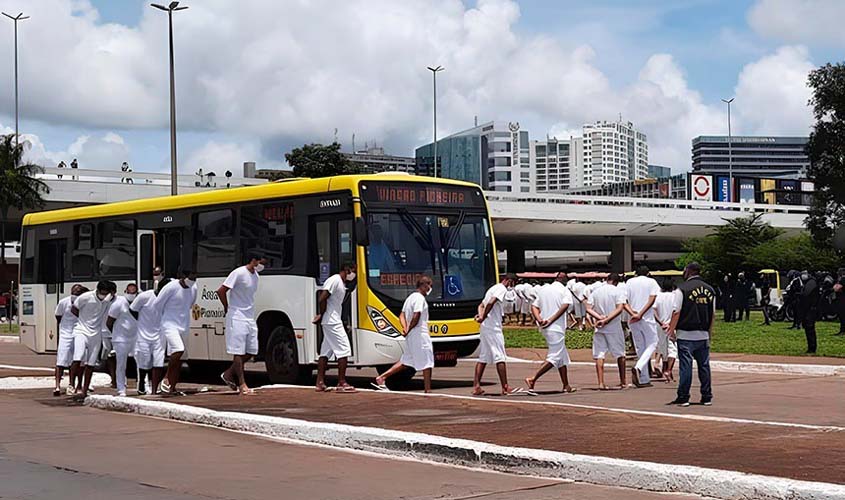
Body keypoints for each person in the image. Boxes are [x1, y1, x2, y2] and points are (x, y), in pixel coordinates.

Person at [373, 276, 435, 393]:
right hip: (419, 334)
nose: (430, 289)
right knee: (427, 361)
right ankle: (428, 389)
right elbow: (416, 315)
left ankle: (382, 377)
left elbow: (401, 315)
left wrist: (405, 328)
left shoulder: (410, 298)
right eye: (430, 286)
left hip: (411, 335)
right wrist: (409, 328)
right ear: (424, 285)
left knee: (406, 361)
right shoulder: (419, 299)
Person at [218, 251, 267, 395]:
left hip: (249, 316)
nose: (261, 266)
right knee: (238, 351)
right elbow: (221, 291)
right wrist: (227, 307)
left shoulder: (256, 276)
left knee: (252, 350)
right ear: (253, 261)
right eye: (260, 262)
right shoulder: (238, 273)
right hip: (237, 316)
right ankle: (242, 384)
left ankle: (228, 373)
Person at [667, 262, 716, 407]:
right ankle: (706, 396)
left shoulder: (681, 289)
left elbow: (676, 311)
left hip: (685, 334)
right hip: (703, 334)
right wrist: (709, 333)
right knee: (704, 366)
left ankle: (684, 396)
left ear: (688, 271)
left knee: (686, 367)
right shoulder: (710, 290)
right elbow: (712, 314)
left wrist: (671, 330)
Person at [525, 272, 575, 393]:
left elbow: (534, 306)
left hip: (545, 327)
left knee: (561, 357)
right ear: (565, 281)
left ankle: (566, 385)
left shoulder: (544, 289)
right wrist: (551, 319)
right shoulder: (564, 290)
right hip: (556, 327)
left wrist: (540, 319)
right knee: (554, 357)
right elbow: (565, 306)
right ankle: (533, 378)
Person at [473, 274, 521, 396]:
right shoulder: (501, 289)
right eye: (513, 283)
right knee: (500, 356)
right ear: (509, 281)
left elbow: (481, 305)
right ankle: (505, 387)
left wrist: (480, 317)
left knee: (483, 357)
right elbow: (491, 302)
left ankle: (476, 386)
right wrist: (483, 317)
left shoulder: (492, 288)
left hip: (486, 327)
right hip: (493, 327)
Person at [313, 263, 357, 393]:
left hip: (331, 320)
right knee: (344, 349)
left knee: (325, 351)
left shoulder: (341, 283)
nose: (353, 275)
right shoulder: (335, 280)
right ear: (346, 269)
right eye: (353, 271)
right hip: (332, 321)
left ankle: (319, 382)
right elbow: (322, 298)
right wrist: (322, 314)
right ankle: (341, 382)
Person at [69, 281, 116, 398]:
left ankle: (84, 390)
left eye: (106, 294)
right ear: (97, 290)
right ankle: (71, 384)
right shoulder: (85, 297)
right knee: (78, 357)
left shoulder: (108, 298)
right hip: (81, 331)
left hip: (96, 334)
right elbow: (74, 309)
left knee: (91, 363)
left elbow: (113, 295)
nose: (103, 296)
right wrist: (84, 320)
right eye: (102, 293)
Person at [154, 270, 198, 395]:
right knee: (178, 349)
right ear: (183, 277)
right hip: (169, 324)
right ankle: (167, 377)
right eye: (190, 278)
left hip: (184, 324)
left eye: (195, 278)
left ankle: (172, 387)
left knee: (180, 358)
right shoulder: (170, 287)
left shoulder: (193, 287)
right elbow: (158, 305)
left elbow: (191, 304)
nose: (193, 281)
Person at [585, 273, 628, 389]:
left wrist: (600, 318)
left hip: (599, 327)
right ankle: (623, 381)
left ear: (607, 279)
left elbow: (588, 308)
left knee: (599, 354)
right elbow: (620, 308)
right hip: (614, 327)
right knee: (620, 354)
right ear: (616, 282)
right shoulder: (618, 291)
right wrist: (607, 319)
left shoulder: (596, 292)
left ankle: (601, 383)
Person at [625, 265, 661, 387]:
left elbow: (623, 301)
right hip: (647, 318)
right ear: (648, 273)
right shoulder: (652, 282)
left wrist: (633, 313)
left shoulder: (629, 282)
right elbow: (652, 299)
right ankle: (639, 367)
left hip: (633, 318)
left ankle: (644, 378)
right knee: (653, 343)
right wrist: (641, 313)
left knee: (640, 347)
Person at [131, 278, 168, 395]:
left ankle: (154, 389)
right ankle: (141, 382)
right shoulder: (145, 296)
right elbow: (132, 309)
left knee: (159, 362)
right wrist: (141, 322)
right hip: (144, 335)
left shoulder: (168, 299)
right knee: (144, 362)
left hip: (160, 334)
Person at [53, 285, 87, 396]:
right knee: (61, 360)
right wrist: (64, 328)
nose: (75, 292)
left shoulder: (84, 302)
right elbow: (58, 316)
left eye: (78, 291)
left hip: (79, 333)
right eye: (74, 290)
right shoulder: (63, 302)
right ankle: (57, 386)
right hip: (65, 334)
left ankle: (76, 385)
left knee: (79, 360)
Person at [106, 284, 139, 397]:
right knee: (121, 364)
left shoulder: (139, 303)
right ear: (125, 291)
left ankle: (143, 386)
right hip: (121, 338)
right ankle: (121, 388)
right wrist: (116, 333)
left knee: (141, 362)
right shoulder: (118, 304)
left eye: (133, 292)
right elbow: (109, 322)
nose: (131, 295)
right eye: (129, 292)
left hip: (136, 337)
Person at [654, 280, 678, 382]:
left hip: (660, 326)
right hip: (671, 325)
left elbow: (654, 311)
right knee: (673, 349)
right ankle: (668, 370)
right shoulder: (675, 297)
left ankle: (665, 370)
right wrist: (670, 325)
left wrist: (660, 323)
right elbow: (676, 312)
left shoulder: (658, 296)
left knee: (663, 349)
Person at [797, 270, 820, 354]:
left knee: (809, 328)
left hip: (810, 309)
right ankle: (811, 347)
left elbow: (806, 295)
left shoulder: (811, 283)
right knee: (808, 328)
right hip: (810, 309)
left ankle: (812, 348)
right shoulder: (810, 283)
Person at [833, 268, 845, 336]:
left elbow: (836, 288)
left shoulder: (843, 279)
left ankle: (842, 330)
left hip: (842, 299)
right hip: (841, 298)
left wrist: (837, 285)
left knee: (842, 315)